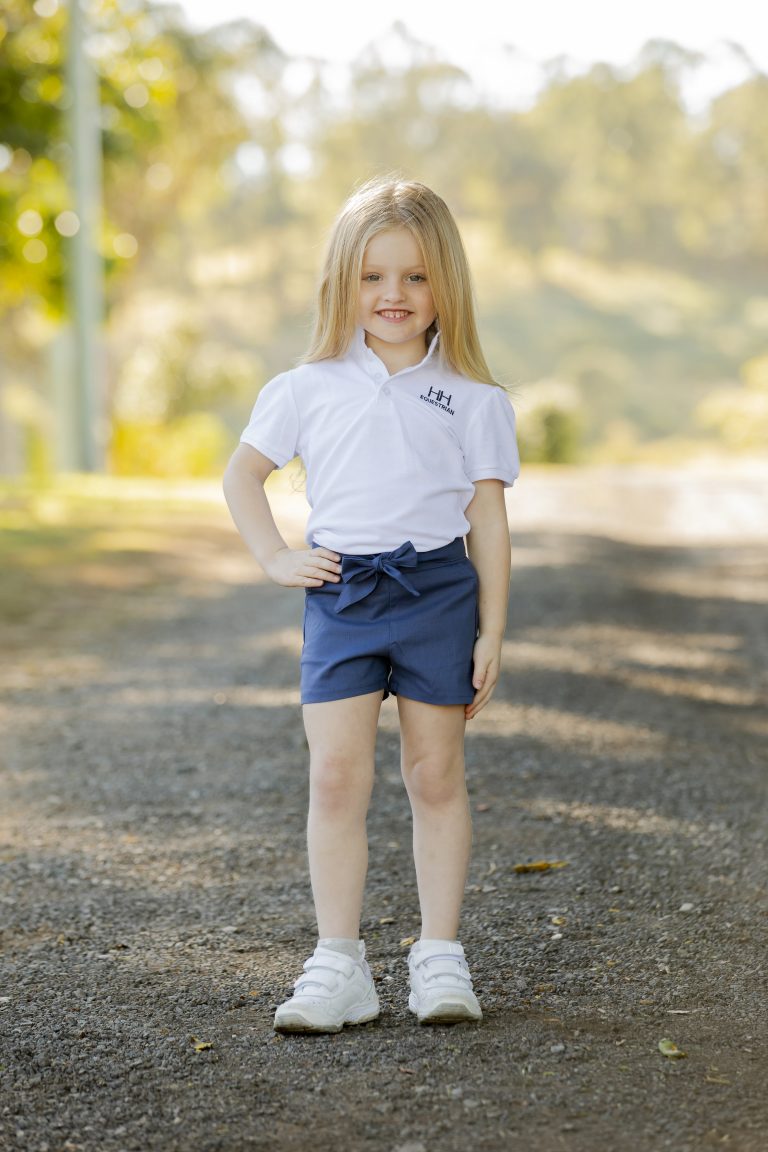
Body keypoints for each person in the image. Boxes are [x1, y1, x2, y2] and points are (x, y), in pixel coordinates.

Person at [223, 175, 519, 1033]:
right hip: (344, 593)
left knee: (434, 775)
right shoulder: (305, 386)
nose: (394, 295)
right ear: (343, 281)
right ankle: (338, 964)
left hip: (437, 596)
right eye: (373, 276)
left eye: (417, 277)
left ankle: (439, 956)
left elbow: (488, 519)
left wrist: (493, 627)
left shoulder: (473, 397)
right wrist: (277, 554)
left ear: (446, 286)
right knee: (336, 776)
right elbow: (243, 476)